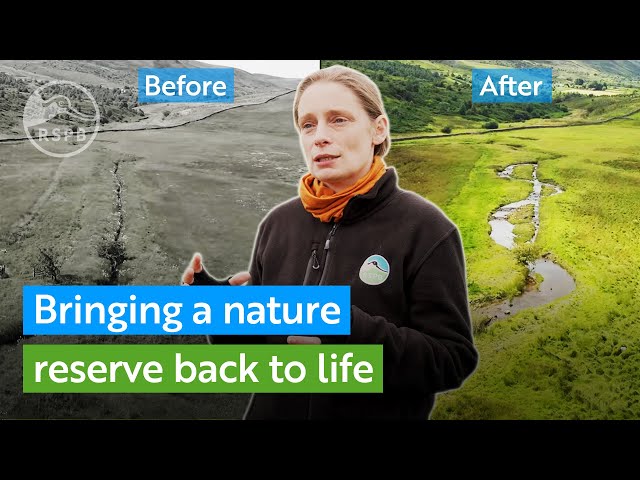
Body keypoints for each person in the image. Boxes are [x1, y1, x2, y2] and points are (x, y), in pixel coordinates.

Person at [181, 65, 478, 420]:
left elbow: (450, 360)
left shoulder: (427, 229)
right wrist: (221, 312)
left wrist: (348, 331)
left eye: (338, 120)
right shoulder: (278, 223)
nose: (319, 136)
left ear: (377, 129)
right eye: (308, 124)